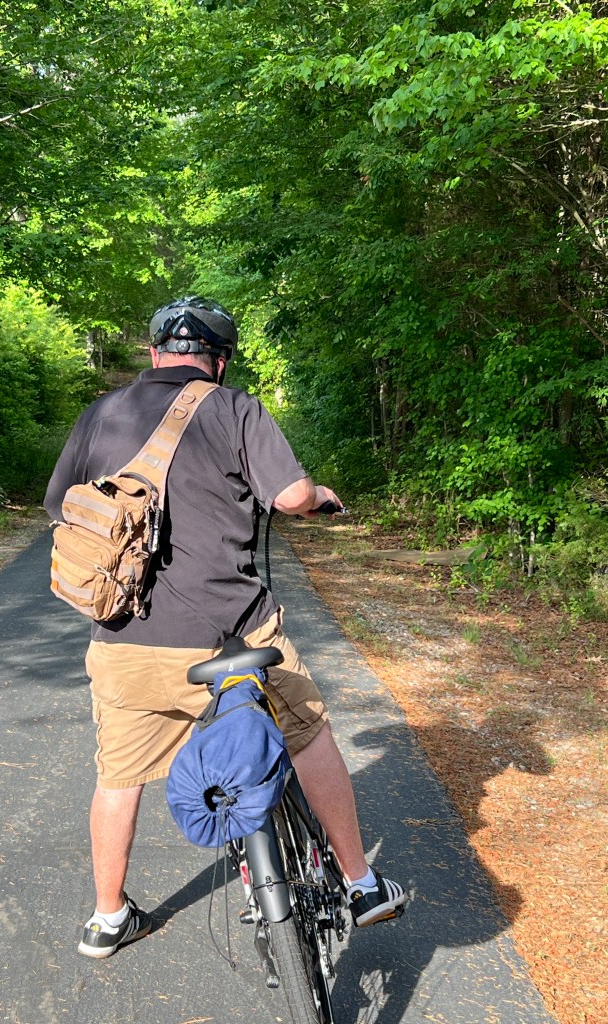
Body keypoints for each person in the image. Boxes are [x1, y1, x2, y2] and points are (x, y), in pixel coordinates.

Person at [44, 296, 407, 959]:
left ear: (154, 354)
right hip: (234, 639)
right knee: (306, 730)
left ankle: (107, 917)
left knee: (118, 775)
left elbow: (59, 507)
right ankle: (361, 884)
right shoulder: (235, 408)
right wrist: (319, 498)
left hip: (125, 641)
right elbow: (290, 497)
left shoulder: (102, 413)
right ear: (219, 361)